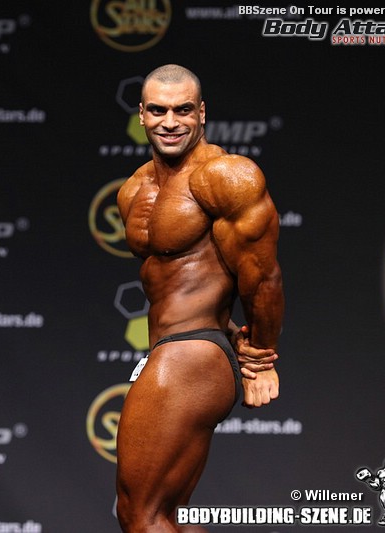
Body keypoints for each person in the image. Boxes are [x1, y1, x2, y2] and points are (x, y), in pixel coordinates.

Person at [115, 64, 284, 532]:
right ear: (142, 115)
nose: (170, 122)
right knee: (171, 516)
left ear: (202, 113)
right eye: (158, 111)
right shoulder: (133, 190)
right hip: (175, 347)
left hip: (192, 355)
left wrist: (261, 358)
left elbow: (262, 276)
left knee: (139, 515)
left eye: (183, 110)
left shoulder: (225, 176)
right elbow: (176, 278)